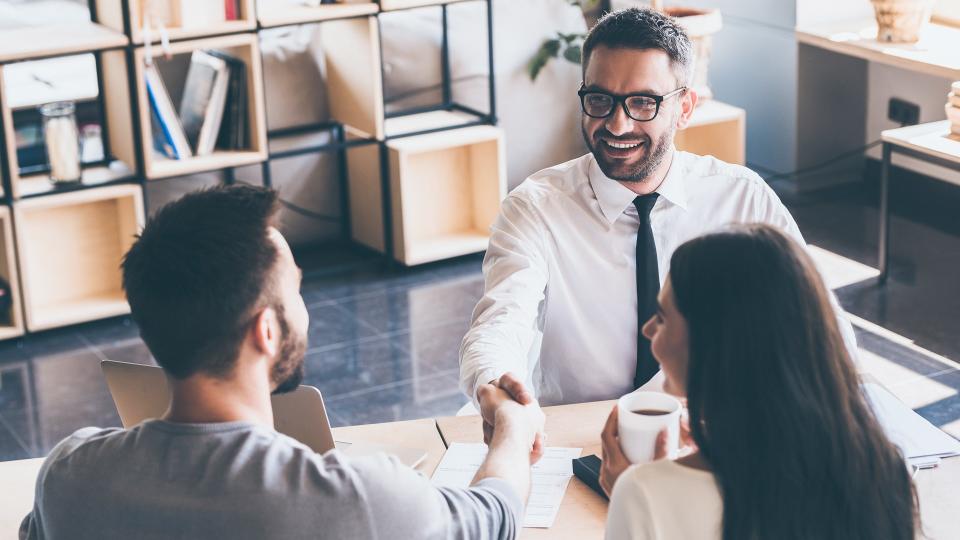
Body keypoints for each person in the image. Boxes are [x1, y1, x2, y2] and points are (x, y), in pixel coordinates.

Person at [20, 185, 545, 540]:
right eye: (295, 286)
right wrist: (512, 429)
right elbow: (495, 515)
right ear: (265, 331)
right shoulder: (360, 500)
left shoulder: (70, 476)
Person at [460, 7, 857, 434]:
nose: (617, 123)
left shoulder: (742, 197)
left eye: (643, 102)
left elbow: (822, 326)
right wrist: (494, 382)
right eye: (599, 99)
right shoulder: (534, 207)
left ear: (684, 108)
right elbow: (502, 318)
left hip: (713, 431)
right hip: (578, 431)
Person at [599, 224, 916, 540]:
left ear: (715, 346)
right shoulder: (884, 470)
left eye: (663, 318)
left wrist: (639, 496)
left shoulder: (644, 494)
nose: (648, 330)